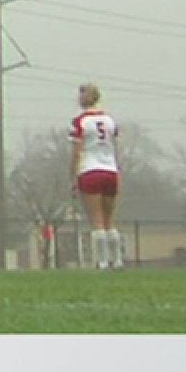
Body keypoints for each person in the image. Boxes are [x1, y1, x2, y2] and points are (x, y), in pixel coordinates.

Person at [69, 83, 123, 270]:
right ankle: (117, 260)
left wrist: (73, 176)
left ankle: (101, 261)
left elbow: (77, 151)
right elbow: (113, 144)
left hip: (90, 170)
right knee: (110, 219)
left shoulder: (80, 122)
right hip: (110, 170)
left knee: (97, 220)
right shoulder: (109, 120)